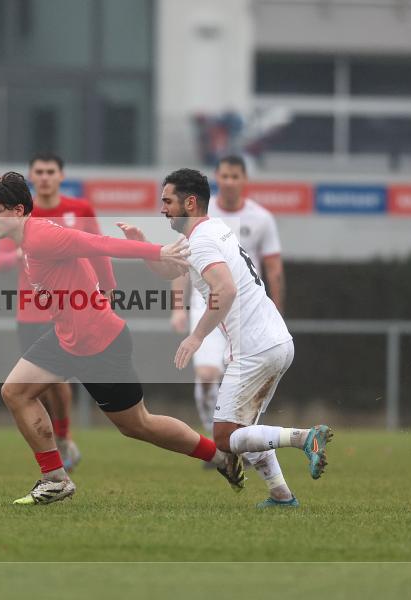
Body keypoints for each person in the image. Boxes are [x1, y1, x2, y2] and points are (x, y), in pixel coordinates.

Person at [0, 171, 239, 506]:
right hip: (66, 338)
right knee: (15, 392)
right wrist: (106, 290)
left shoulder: (39, 237)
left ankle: (219, 456)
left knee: (138, 425)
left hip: (99, 344)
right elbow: (92, 252)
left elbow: (100, 244)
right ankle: (55, 479)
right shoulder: (32, 240)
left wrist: (157, 252)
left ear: (18, 211)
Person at [121, 168, 331, 509]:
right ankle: (282, 496)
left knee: (225, 437)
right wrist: (141, 246)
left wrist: (196, 337)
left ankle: (305, 438)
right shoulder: (211, 229)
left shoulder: (201, 240)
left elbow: (226, 289)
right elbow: (172, 270)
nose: (163, 209)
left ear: (189, 202)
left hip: (254, 349)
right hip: (274, 341)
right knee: (247, 429)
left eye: (167, 201)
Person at [0, 153, 110, 472]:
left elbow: (98, 248)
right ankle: (58, 443)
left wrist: (104, 294)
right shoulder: (19, 215)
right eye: (39, 172)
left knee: (56, 379)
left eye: (50, 171)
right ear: (31, 177)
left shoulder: (80, 210)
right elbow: (1, 261)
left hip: (71, 309)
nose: (44, 177)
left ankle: (63, 437)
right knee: (39, 386)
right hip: (30, 311)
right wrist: (20, 251)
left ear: (61, 175)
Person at [170, 155, 285, 434]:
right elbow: (179, 265)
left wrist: (277, 311)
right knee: (207, 376)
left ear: (245, 180)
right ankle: (217, 438)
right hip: (206, 303)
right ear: (217, 179)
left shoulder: (261, 218)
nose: (230, 181)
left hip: (246, 306)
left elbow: (274, 269)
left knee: (245, 402)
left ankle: (231, 439)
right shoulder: (200, 220)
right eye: (225, 176)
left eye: (236, 176)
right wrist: (177, 308)